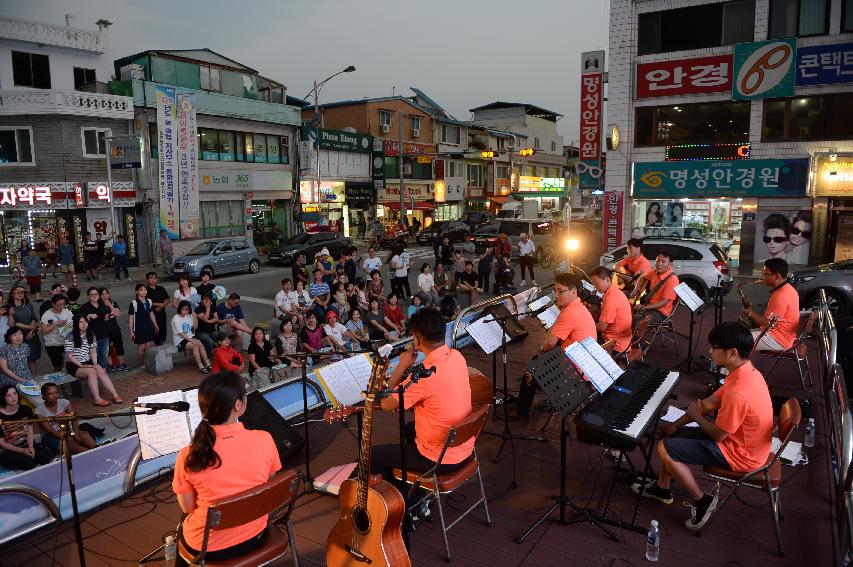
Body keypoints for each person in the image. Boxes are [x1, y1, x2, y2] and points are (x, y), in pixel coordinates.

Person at [633, 322, 773, 531]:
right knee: (670, 439)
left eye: (714, 348)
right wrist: (676, 425)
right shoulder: (746, 372)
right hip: (740, 442)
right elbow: (707, 405)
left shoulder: (739, 392)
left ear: (732, 352)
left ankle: (701, 500)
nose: (709, 351)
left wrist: (696, 416)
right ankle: (662, 488)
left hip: (741, 455)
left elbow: (718, 435)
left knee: (665, 448)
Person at [173, 372, 281, 563]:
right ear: (238, 405)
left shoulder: (188, 455)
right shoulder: (264, 438)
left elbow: (188, 507)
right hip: (255, 535)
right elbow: (269, 485)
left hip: (207, 547)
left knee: (183, 525)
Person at [371, 308, 473, 485]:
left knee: (374, 455)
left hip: (441, 459)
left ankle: (403, 504)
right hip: (464, 447)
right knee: (410, 428)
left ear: (416, 339)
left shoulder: (424, 375)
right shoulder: (457, 356)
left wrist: (402, 365)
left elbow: (387, 404)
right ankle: (416, 491)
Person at [515, 273, 597, 419]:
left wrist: (542, 351)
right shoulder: (579, 307)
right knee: (537, 360)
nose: (556, 295)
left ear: (574, 291)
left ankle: (521, 413)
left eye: (561, 291)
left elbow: (549, 343)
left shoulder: (569, 312)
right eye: (555, 291)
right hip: (585, 365)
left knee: (532, 368)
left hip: (574, 372)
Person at [742, 258, 801, 352]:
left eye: (766, 274)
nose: (763, 276)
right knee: (737, 335)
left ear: (777, 276)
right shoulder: (788, 288)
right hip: (779, 334)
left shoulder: (781, 296)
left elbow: (769, 324)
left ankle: (737, 366)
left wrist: (750, 313)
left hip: (778, 339)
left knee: (735, 340)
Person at [64, 314, 122, 406]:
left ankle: (115, 395)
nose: (84, 324)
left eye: (85, 322)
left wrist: (95, 363)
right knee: (92, 372)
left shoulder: (90, 334)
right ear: (75, 324)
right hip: (74, 364)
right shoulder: (70, 337)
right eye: (80, 322)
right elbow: (70, 355)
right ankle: (97, 399)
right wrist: (81, 365)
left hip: (88, 361)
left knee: (100, 369)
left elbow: (93, 350)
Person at [0, 385, 53, 470]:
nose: (13, 397)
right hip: (8, 450)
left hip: (25, 443)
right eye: (8, 395)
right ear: (3, 398)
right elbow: (2, 443)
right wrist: (22, 451)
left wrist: (31, 447)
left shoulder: (25, 409)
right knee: (29, 463)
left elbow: (29, 430)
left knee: (45, 458)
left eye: (15, 393)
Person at [35, 382, 96, 455]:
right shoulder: (39, 411)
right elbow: (51, 431)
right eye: (50, 394)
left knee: (84, 435)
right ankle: (93, 456)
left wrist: (75, 434)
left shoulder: (64, 402)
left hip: (67, 430)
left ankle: (98, 451)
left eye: (56, 393)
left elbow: (74, 419)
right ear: (44, 396)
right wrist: (68, 437)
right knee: (72, 444)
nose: (55, 396)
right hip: (50, 436)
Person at [590, 266, 633, 354]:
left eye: (596, 283)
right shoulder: (614, 290)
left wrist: (586, 325)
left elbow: (602, 327)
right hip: (624, 340)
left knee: (580, 342)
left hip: (614, 345)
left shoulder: (610, 298)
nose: (595, 287)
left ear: (608, 280)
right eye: (593, 284)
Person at [634, 250, 680, 325]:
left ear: (670, 264)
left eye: (663, 262)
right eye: (657, 260)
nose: (659, 264)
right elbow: (642, 277)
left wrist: (644, 308)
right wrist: (635, 290)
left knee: (639, 321)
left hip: (661, 312)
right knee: (626, 313)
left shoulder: (672, 279)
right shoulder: (654, 272)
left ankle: (633, 336)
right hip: (647, 306)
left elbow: (663, 302)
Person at [9, 285, 41, 377]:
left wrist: (31, 331)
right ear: (12, 294)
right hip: (18, 336)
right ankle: (22, 381)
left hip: (31, 335)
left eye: (23, 292)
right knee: (21, 360)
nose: (21, 294)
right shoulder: (11, 308)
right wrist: (29, 328)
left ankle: (34, 379)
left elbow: (33, 319)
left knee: (32, 359)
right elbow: (14, 324)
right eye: (18, 292)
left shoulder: (28, 306)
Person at [172, 300, 212, 374]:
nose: (186, 311)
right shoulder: (176, 318)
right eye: (184, 309)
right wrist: (191, 340)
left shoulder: (189, 316)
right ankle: (200, 365)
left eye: (187, 309)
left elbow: (195, 327)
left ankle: (207, 363)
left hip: (190, 337)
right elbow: (181, 333)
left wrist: (195, 317)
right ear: (179, 308)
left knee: (200, 343)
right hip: (180, 340)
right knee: (195, 345)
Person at [40, 294, 74, 373]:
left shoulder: (67, 311)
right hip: (53, 344)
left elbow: (72, 325)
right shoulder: (47, 315)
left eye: (63, 304)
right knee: (57, 365)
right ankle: (58, 383)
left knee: (71, 362)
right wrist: (55, 324)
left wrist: (67, 325)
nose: (62, 306)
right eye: (59, 305)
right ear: (53, 304)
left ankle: (72, 379)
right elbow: (43, 331)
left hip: (66, 342)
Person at [79, 287, 111, 369]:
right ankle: (94, 378)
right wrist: (88, 316)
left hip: (104, 336)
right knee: (94, 361)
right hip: (92, 338)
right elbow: (80, 322)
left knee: (103, 360)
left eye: (96, 294)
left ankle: (103, 377)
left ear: (98, 295)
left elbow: (106, 316)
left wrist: (107, 317)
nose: (94, 296)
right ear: (88, 296)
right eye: (91, 294)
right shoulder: (84, 307)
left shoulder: (102, 305)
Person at [99, 288, 128, 372]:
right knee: (106, 348)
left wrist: (110, 305)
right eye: (102, 294)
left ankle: (122, 363)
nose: (104, 296)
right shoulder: (98, 305)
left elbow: (117, 314)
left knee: (119, 346)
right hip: (104, 330)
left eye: (106, 293)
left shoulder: (113, 303)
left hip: (114, 328)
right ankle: (110, 365)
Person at [129, 283, 158, 363]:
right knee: (141, 346)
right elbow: (131, 318)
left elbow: (151, 313)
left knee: (148, 346)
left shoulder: (149, 301)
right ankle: (141, 364)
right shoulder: (134, 303)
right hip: (138, 328)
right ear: (136, 292)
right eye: (141, 290)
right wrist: (131, 331)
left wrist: (155, 325)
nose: (144, 291)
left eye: (145, 289)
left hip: (148, 326)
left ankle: (147, 363)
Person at [146, 272, 170, 346]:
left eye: (155, 278)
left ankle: (160, 350)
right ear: (147, 279)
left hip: (162, 316)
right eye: (151, 277)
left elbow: (167, 299)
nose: (153, 280)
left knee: (162, 335)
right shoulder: (144, 290)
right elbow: (144, 301)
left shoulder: (161, 289)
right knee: (152, 336)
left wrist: (162, 305)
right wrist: (158, 304)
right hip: (149, 318)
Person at [194, 293, 218, 357]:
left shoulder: (212, 307)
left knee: (222, 337)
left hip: (212, 330)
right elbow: (205, 318)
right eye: (205, 300)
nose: (208, 301)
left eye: (209, 300)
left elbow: (216, 318)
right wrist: (207, 308)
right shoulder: (198, 309)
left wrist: (208, 321)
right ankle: (207, 356)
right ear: (201, 300)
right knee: (210, 342)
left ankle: (222, 354)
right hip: (201, 332)